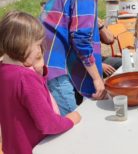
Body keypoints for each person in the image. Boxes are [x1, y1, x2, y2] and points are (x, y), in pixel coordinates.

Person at [0, 11, 81, 154]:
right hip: (35, 148)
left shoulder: (5, 70)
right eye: (37, 45)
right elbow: (48, 124)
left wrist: (39, 73)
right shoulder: (25, 78)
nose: (40, 50)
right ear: (21, 44)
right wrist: (71, 119)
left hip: (12, 148)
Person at [41, 0, 107, 116]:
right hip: (55, 67)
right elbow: (81, 39)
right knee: (71, 127)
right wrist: (97, 79)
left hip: (46, 64)